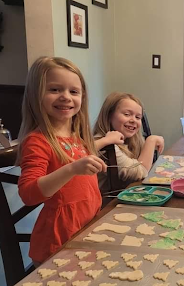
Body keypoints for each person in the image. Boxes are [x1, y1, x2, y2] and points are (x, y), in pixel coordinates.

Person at [17, 56, 107, 264]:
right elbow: (29, 194)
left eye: (73, 91)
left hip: (86, 231)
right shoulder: (37, 141)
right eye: (55, 89)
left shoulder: (77, 135)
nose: (66, 97)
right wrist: (72, 169)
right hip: (58, 243)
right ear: (35, 95)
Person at [93, 92, 164, 191]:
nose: (133, 120)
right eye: (127, 114)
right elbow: (141, 171)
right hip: (107, 204)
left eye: (138, 117)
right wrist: (151, 140)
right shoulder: (105, 145)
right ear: (109, 115)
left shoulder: (131, 139)